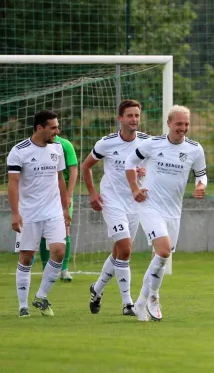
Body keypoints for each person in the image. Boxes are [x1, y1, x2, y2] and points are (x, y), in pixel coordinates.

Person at [125, 105, 207, 321]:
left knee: (160, 258)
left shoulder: (195, 149)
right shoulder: (152, 144)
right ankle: (153, 296)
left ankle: (141, 303)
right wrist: (135, 188)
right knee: (163, 251)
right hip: (150, 206)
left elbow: (201, 174)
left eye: (186, 124)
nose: (183, 128)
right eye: (179, 124)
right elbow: (130, 162)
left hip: (173, 212)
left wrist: (200, 186)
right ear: (169, 123)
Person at [84, 99, 150, 316]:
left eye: (137, 116)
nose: (134, 120)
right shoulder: (107, 143)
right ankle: (127, 303)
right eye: (130, 116)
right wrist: (93, 193)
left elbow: (152, 168)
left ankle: (97, 289)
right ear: (120, 118)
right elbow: (86, 167)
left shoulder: (147, 143)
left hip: (134, 201)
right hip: (111, 200)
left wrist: (144, 172)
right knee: (126, 249)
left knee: (120, 252)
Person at [8, 110, 71, 317]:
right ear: (39, 128)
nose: (57, 131)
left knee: (59, 251)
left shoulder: (58, 148)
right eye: (53, 127)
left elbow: (60, 179)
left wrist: (64, 208)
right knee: (26, 258)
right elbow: (13, 184)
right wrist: (15, 214)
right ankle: (23, 306)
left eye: (57, 126)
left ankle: (41, 297)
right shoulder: (19, 151)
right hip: (29, 214)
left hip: (53, 211)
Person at [38, 134, 78, 282]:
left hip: (62, 195)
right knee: (43, 232)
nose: (56, 130)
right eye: (52, 127)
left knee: (65, 228)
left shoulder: (65, 145)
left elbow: (74, 169)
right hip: (43, 195)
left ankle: (64, 269)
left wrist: (69, 195)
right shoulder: (37, 146)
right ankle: (45, 269)